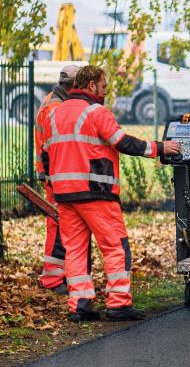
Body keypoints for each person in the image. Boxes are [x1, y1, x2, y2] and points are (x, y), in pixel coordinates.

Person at [42, 65, 181, 322]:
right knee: (116, 247)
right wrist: (160, 148)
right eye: (104, 86)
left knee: (75, 251)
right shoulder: (97, 112)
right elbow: (123, 142)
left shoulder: (54, 114)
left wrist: (56, 184)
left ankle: (80, 306)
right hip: (96, 191)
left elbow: (46, 154)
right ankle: (118, 303)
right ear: (92, 85)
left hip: (64, 194)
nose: (105, 92)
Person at [32, 64, 80, 293]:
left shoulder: (54, 102)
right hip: (54, 175)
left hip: (55, 173)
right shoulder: (54, 108)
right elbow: (53, 145)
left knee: (61, 225)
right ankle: (51, 279)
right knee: (57, 224)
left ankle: (60, 275)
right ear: (71, 86)